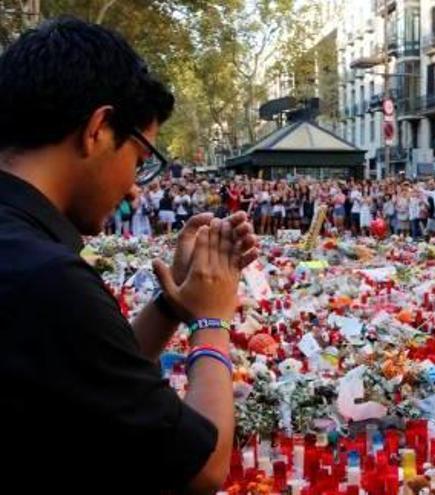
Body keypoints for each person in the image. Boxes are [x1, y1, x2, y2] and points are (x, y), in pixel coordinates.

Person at [0, 18, 259, 493]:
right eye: (140, 161)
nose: (134, 188)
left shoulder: (24, 254)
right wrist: (212, 320)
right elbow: (201, 466)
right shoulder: (46, 277)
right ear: (98, 129)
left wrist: (170, 307)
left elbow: (83, 378)